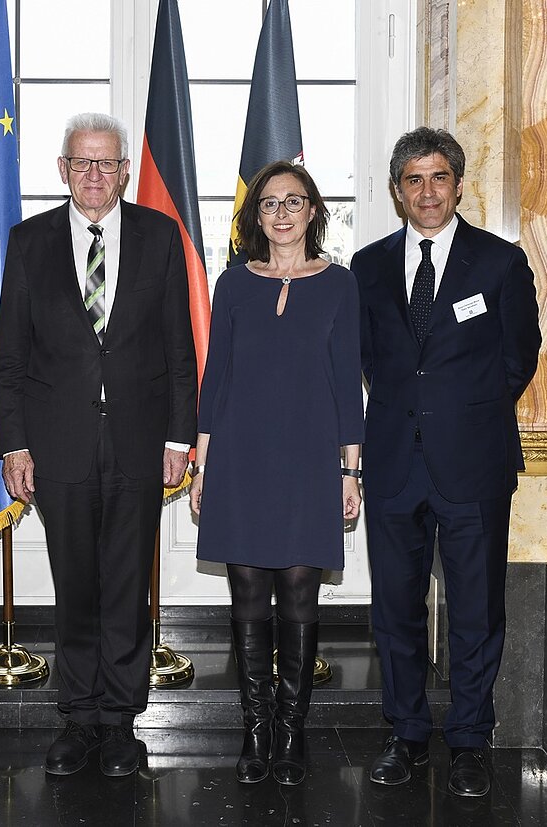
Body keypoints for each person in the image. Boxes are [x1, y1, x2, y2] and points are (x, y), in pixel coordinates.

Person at [0, 112, 197, 778]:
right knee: (75, 585)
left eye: (106, 163)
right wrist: (14, 445)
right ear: (63, 169)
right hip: (58, 446)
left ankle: (119, 724)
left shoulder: (159, 236)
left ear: (125, 171)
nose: (94, 174)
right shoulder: (29, 241)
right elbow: (10, 355)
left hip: (140, 442)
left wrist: (179, 436)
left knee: (127, 587)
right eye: (82, 162)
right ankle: (79, 718)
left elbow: (179, 347)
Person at [352, 127, 541, 797]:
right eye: (414, 180)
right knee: (395, 610)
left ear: (459, 186)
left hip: (474, 465)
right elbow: (367, 359)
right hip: (393, 464)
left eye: (438, 178)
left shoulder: (500, 262)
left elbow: (519, 357)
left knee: (475, 610)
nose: (427, 191)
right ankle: (405, 732)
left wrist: (465, 413)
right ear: (397, 191)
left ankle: (469, 739)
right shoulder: (368, 266)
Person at [189, 161, 364, 786]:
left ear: (313, 211)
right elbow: (216, 376)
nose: (282, 213)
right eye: (269, 203)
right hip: (240, 456)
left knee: (298, 591)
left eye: (294, 201)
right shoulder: (234, 284)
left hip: (310, 459)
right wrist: (202, 464)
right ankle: (255, 730)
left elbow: (347, 379)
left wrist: (350, 470)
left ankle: (291, 733)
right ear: (255, 216)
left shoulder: (340, 284)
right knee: (246, 594)